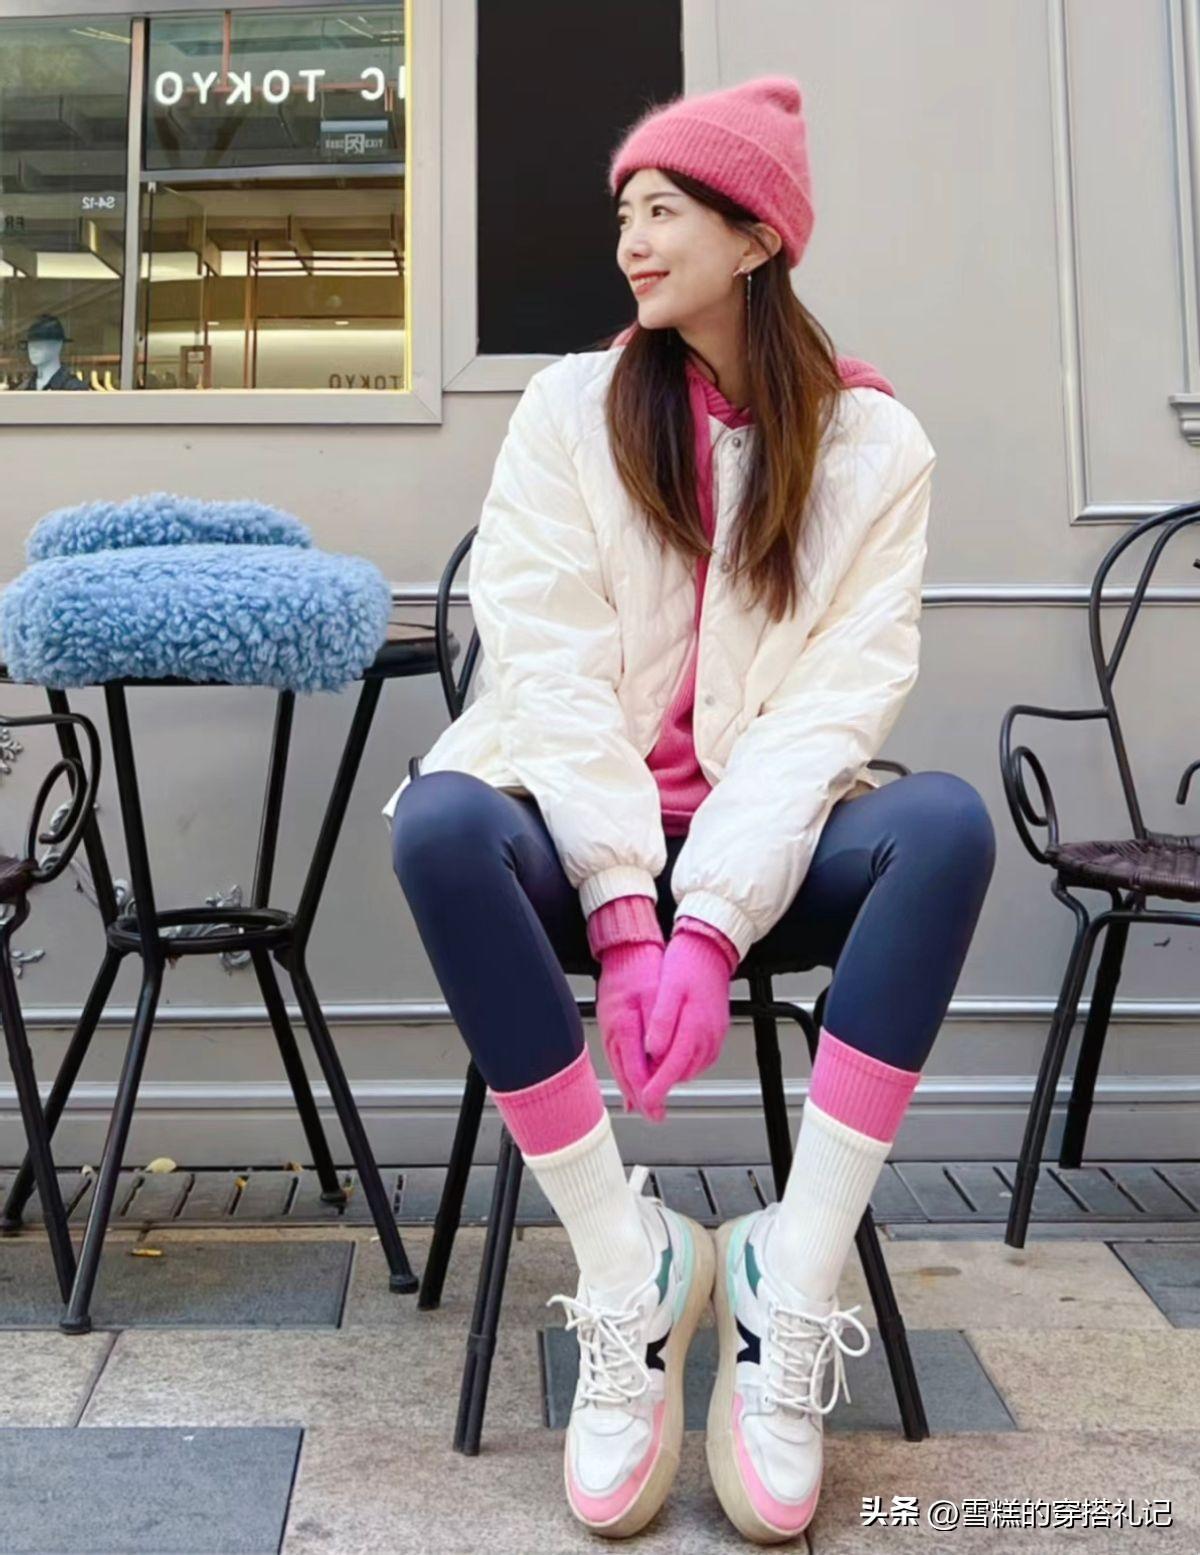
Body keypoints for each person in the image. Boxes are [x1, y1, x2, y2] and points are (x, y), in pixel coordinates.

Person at [387, 75, 996, 1545]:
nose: (632, 243)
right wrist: (623, 910)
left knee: (947, 827)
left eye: (662, 210)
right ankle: (628, 1265)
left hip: (768, 846)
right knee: (440, 824)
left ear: (757, 237)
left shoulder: (876, 450)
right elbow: (544, 674)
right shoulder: (566, 414)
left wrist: (711, 926)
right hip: (576, 830)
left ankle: (793, 1272)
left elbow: (833, 711)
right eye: (625, 215)